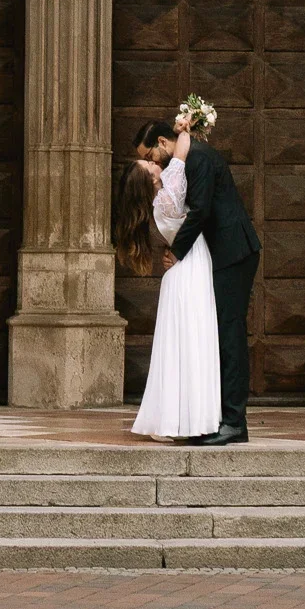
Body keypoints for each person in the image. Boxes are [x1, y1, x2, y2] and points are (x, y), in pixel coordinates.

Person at [134, 114, 260, 445]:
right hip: (221, 255)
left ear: (162, 143)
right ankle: (217, 416)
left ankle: (234, 423)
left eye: (149, 157)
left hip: (234, 253)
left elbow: (201, 209)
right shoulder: (187, 157)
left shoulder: (199, 158)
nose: (151, 164)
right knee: (219, 335)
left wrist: (176, 252)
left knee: (229, 335)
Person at [115, 127, 220, 441]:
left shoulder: (159, 205)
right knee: (191, 339)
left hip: (185, 267)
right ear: (149, 180)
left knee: (185, 341)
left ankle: (182, 416)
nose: (155, 164)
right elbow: (181, 156)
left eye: (151, 161)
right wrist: (185, 129)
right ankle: (188, 419)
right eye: (150, 166)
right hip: (190, 268)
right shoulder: (165, 200)